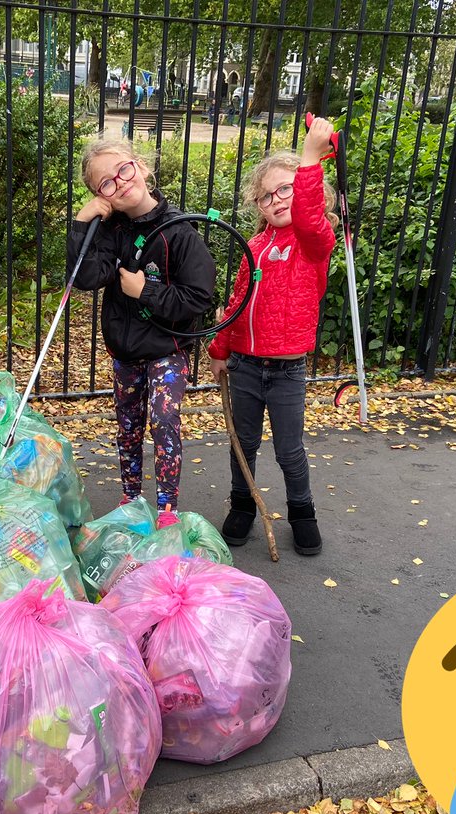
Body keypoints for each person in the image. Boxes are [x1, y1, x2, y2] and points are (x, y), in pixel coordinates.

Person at [68, 139, 218, 528]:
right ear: (101, 196)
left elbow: (198, 297)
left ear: (142, 168)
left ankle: (167, 506)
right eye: (105, 184)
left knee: (164, 417)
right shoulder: (109, 231)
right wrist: (83, 223)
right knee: (128, 423)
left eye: (123, 170)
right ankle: (131, 497)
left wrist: (144, 291)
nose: (118, 183)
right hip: (126, 351)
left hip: (167, 348)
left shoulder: (180, 233)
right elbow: (86, 276)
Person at [207, 116, 339, 555]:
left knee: (288, 450)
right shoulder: (255, 247)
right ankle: (242, 504)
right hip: (245, 366)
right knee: (241, 443)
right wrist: (220, 348)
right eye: (267, 195)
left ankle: (303, 511)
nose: (277, 199)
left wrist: (309, 159)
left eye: (285, 189)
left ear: (305, 194)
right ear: (257, 204)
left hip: (286, 372)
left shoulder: (313, 242)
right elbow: (237, 301)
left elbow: (308, 215)